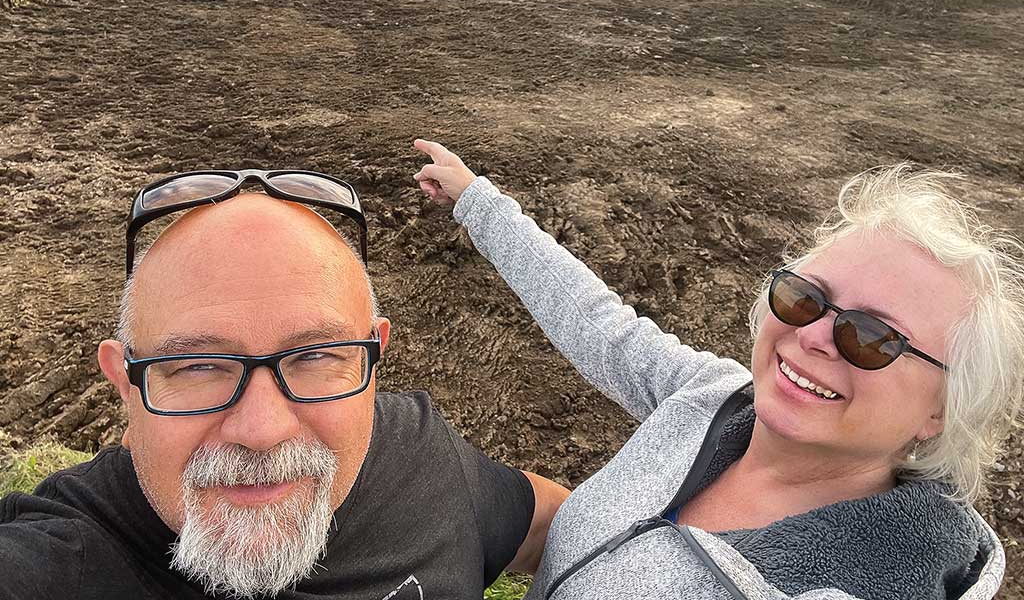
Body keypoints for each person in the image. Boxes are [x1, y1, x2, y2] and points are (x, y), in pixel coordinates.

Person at [413, 139, 1024, 600]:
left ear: (943, 408)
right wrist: (479, 203)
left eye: (871, 336)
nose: (812, 337)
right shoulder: (715, 398)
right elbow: (596, 320)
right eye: (805, 297)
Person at [0, 169, 568, 600]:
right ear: (126, 384)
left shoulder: (423, 458)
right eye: (199, 366)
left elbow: (554, 526)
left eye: (316, 357)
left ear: (373, 364)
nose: (262, 430)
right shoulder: (62, 558)